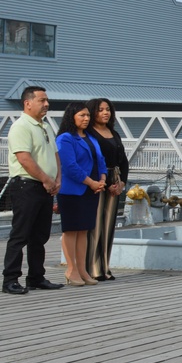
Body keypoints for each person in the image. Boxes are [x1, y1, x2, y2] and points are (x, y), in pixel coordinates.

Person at [1, 86, 64, 294]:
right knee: (20, 235)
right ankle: (10, 279)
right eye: (42, 100)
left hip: (45, 187)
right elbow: (24, 159)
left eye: (47, 100)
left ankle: (36, 277)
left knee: (40, 236)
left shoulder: (45, 126)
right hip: (27, 186)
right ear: (28, 103)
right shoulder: (21, 127)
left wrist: (57, 179)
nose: (47, 104)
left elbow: (55, 155)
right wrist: (46, 180)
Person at [56, 102, 107, 286]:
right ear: (72, 117)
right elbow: (70, 167)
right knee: (71, 230)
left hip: (91, 189)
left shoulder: (91, 137)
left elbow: (100, 159)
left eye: (87, 115)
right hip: (72, 190)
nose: (86, 119)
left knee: (84, 230)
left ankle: (83, 269)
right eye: (82, 116)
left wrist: (102, 178)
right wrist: (91, 182)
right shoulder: (65, 138)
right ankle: (71, 269)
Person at [86, 97, 129, 281]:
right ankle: (93, 267)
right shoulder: (88, 133)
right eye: (100, 109)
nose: (105, 113)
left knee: (109, 224)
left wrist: (121, 183)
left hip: (114, 178)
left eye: (108, 109)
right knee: (95, 224)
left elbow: (123, 161)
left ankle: (105, 266)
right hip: (96, 180)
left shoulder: (114, 133)